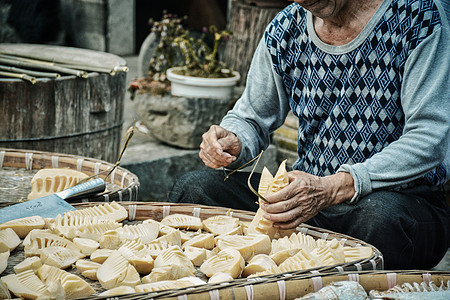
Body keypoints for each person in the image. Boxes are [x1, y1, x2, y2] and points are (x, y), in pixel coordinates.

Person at [169, 0, 450, 270]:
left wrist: (335, 186)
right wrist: (233, 139)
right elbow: (250, 116)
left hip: (400, 203)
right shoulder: (286, 28)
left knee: (381, 218)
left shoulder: (418, 18)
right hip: (307, 203)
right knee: (194, 188)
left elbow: (428, 138)